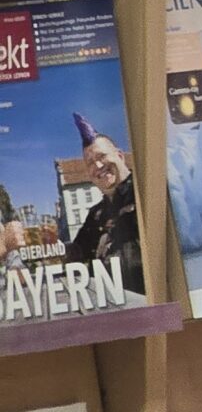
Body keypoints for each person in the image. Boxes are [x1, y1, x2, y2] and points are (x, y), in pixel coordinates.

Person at [62, 116, 141, 289]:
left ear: (120, 156)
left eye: (102, 156)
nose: (98, 166)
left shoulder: (144, 192)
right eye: (90, 162)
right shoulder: (95, 216)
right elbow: (75, 257)